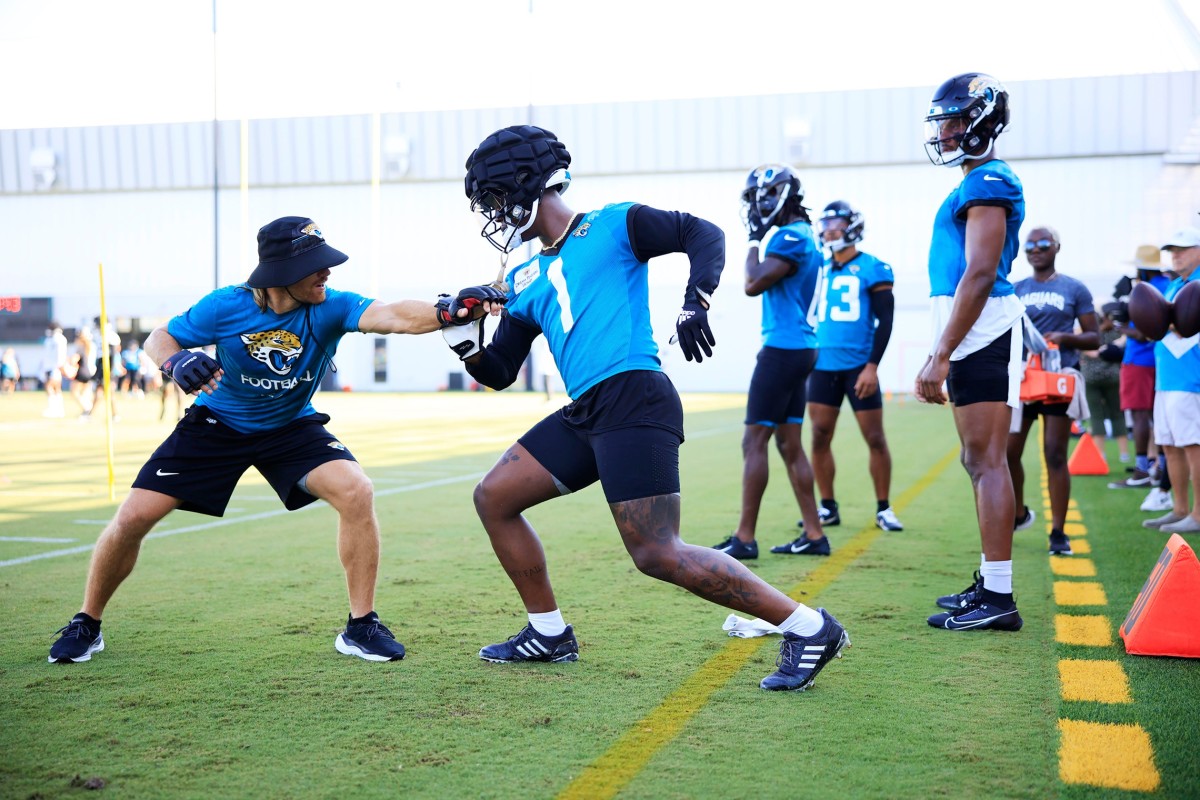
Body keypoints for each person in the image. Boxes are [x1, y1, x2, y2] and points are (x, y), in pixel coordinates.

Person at [446, 125, 848, 691]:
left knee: (657, 552)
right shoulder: (521, 275)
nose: (492, 213)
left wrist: (695, 302)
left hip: (634, 395)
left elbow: (701, 234)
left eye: (493, 197)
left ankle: (809, 627)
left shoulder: (611, 223)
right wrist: (462, 335)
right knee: (494, 497)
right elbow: (499, 371)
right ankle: (549, 633)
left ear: (522, 183)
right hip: (588, 409)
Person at [48, 215, 504, 664]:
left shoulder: (331, 305)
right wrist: (177, 361)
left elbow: (393, 315)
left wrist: (449, 309)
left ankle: (361, 625)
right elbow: (158, 338)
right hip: (217, 425)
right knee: (132, 519)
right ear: (281, 274)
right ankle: (87, 623)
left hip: (291, 426)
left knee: (356, 490)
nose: (328, 272)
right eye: (316, 265)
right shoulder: (226, 304)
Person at [916, 73, 1026, 632]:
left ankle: (1000, 598)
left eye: (956, 119)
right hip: (972, 332)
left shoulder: (991, 179)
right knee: (977, 460)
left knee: (988, 461)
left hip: (985, 331)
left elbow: (981, 271)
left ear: (982, 119)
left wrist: (941, 353)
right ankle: (990, 581)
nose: (947, 131)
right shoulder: (975, 180)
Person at [709, 164, 829, 561]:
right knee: (789, 443)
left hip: (783, 349)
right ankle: (814, 533)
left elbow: (752, 283)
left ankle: (745, 537)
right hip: (800, 347)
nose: (758, 206)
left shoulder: (792, 237)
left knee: (754, 439)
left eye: (763, 196)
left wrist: (755, 241)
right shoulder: (803, 235)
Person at [805, 200, 903, 533]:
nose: (830, 228)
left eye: (838, 222)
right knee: (818, 436)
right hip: (822, 365)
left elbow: (885, 321)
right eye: (826, 222)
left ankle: (884, 508)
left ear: (853, 226)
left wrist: (872, 366)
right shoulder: (818, 267)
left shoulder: (874, 267)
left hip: (859, 366)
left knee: (875, 437)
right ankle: (828, 507)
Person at [1007, 226, 1099, 556]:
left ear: (1056, 247)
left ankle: (1058, 532)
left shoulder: (1074, 287)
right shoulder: (1016, 288)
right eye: (1030, 245)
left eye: (1043, 244)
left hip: (1059, 377)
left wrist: (1065, 338)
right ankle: (1018, 514)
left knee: (1055, 453)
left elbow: (1095, 337)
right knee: (1007, 451)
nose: (1035, 249)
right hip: (1024, 377)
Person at [1143, 227, 1200, 533]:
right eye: (1172, 250)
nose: (1176, 255)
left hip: (1191, 378)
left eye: (1183, 249)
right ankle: (1179, 508)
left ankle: (1198, 513)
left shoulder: (1197, 283)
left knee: (1193, 444)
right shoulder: (1174, 284)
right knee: (1168, 444)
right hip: (1166, 378)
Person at [1109, 245, 1172, 490]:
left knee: (1139, 414)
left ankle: (1143, 468)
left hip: (1139, 361)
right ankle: (1160, 465)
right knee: (1158, 416)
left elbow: (1145, 333)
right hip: (1158, 361)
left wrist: (1119, 326)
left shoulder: (1146, 290)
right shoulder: (1168, 285)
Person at [1080, 303, 1131, 467]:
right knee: (1117, 414)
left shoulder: (1090, 333)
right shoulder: (1117, 333)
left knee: (1096, 416)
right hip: (1112, 378)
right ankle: (1124, 454)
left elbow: (1083, 348)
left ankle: (1100, 454)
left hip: (1091, 378)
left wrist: (1098, 351)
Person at [40, 322, 68, 417]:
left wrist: (59, 366)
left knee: (50, 387)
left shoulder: (59, 339)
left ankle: (54, 409)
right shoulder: (49, 340)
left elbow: (60, 354)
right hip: (48, 367)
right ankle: (58, 410)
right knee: (55, 388)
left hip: (55, 367)